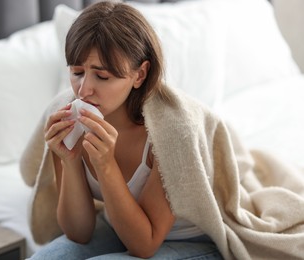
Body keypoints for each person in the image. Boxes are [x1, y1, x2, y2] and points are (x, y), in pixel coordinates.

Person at [21, 1, 304, 260]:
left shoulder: (173, 132)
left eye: (103, 76)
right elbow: (78, 233)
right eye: (77, 72)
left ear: (139, 75)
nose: (84, 90)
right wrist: (70, 162)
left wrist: (106, 166)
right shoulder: (69, 117)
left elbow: (145, 245)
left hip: (196, 239)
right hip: (123, 225)